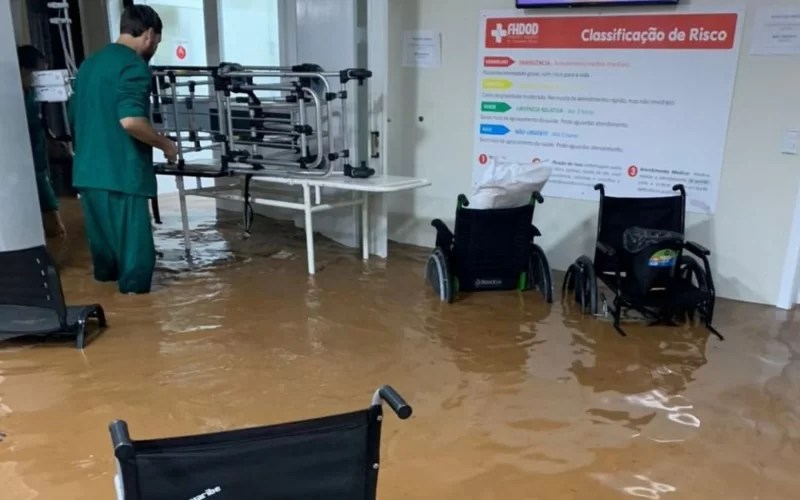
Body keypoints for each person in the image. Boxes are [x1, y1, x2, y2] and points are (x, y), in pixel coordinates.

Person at [69, 5, 177, 294]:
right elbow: (130, 121)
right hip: (121, 175)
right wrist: (166, 144)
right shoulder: (133, 66)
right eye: (157, 40)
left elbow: (75, 116)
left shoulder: (89, 65)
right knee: (136, 267)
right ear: (150, 34)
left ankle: (115, 328)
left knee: (106, 269)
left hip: (88, 176)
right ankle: (141, 329)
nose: (155, 46)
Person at [18, 45, 67, 238]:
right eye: (38, 73)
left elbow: (38, 124)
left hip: (37, 167)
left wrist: (52, 141)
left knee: (53, 223)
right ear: (24, 70)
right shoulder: (13, 98)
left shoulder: (32, 96)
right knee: (51, 224)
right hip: (21, 169)